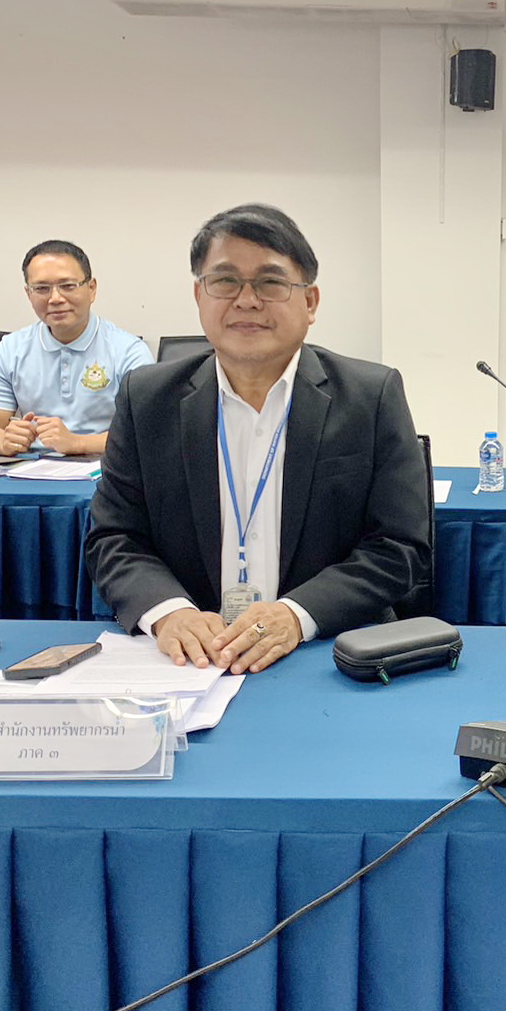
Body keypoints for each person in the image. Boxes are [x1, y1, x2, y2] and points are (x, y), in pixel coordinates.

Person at [85, 204, 429, 675]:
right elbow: (114, 537)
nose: (246, 300)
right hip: (193, 663)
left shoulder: (370, 396)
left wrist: (296, 615)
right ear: (199, 295)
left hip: (325, 654)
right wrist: (169, 613)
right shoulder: (147, 399)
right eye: (225, 281)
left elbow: (400, 547)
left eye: (270, 282)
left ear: (310, 302)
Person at [0, 240, 153, 456]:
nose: (55, 298)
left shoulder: (129, 352)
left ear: (92, 289)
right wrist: (4, 441)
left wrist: (78, 443)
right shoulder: (10, 350)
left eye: (67, 286)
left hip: (107, 467)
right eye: (42, 289)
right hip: (32, 466)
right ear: (28, 294)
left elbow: (147, 433)